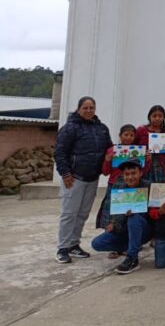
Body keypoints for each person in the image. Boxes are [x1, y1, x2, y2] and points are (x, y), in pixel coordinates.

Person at [54, 96, 113, 264]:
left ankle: (74, 244)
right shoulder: (70, 128)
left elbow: (110, 149)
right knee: (69, 214)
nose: (88, 110)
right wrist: (65, 173)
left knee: (82, 214)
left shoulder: (102, 129)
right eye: (85, 108)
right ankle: (63, 248)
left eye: (91, 107)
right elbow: (60, 152)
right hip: (74, 178)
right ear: (79, 109)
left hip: (92, 178)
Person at [90, 159, 152, 274]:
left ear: (140, 173)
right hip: (124, 229)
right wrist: (113, 224)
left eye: (133, 173)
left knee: (134, 217)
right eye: (126, 174)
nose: (130, 177)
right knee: (97, 243)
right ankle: (130, 246)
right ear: (123, 175)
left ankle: (132, 258)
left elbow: (154, 212)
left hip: (144, 229)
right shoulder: (119, 188)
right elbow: (115, 212)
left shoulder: (149, 186)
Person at [96, 124, 148, 230]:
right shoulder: (112, 150)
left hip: (133, 186)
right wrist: (107, 161)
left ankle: (131, 233)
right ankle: (110, 233)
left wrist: (148, 161)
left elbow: (144, 171)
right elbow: (105, 172)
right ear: (120, 136)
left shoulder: (139, 151)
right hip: (114, 185)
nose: (128, 137)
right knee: (113, 211)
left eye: (131, 135)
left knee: (131, 211)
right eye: (126, 134)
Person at [136, 105, 165, 182]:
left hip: (161, 167)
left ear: (164, 118)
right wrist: (142, 153)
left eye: (160, 116)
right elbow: (133, 146)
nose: (157, 118)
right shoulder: (141, 131)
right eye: (154, 116)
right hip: (144, 165)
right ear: (149, 117)